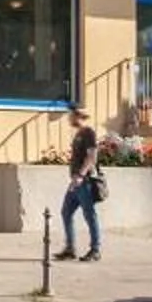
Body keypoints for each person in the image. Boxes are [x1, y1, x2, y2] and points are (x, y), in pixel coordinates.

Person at [60, 107, 102, 261]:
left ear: (78, 116)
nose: (69, 119)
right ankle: (70, 249)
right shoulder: (78, 134)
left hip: (84, 181)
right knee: (66, 212)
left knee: (89, 215)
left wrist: (80, 175)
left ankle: (95, 250)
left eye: (70, 116)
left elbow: (92, 157)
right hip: (76, 182)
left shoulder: (88, 133)